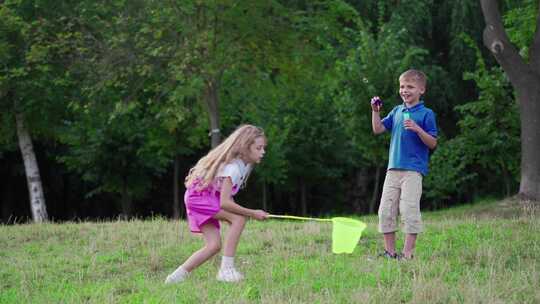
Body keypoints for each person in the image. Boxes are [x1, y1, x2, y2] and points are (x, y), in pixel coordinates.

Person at [165, 124, 269, 284]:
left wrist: (236, 216)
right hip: (199, 198)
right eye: (258, 148)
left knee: (214, 245)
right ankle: (226, 270)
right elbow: (225, 202)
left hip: (199, 197)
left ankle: (175, 278)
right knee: (239, 219)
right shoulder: (234, 168)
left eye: (263, 148)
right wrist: (252, 213)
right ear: (245, 148)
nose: (263, 152)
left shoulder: (245, 166)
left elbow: (225, 198)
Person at [370, 69, 438, 260]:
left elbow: (432, 142)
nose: (405, 90)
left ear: (421, 90)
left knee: (408, 210)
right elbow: (378, 129)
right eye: (402, 86)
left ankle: (407, 255)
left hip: (413, 171)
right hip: (393, 170)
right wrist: (375, 112)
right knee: (386, 211)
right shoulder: (397, 111)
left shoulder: (426, 114)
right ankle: (390, 253)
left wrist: (417, 129)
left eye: (410, 87)